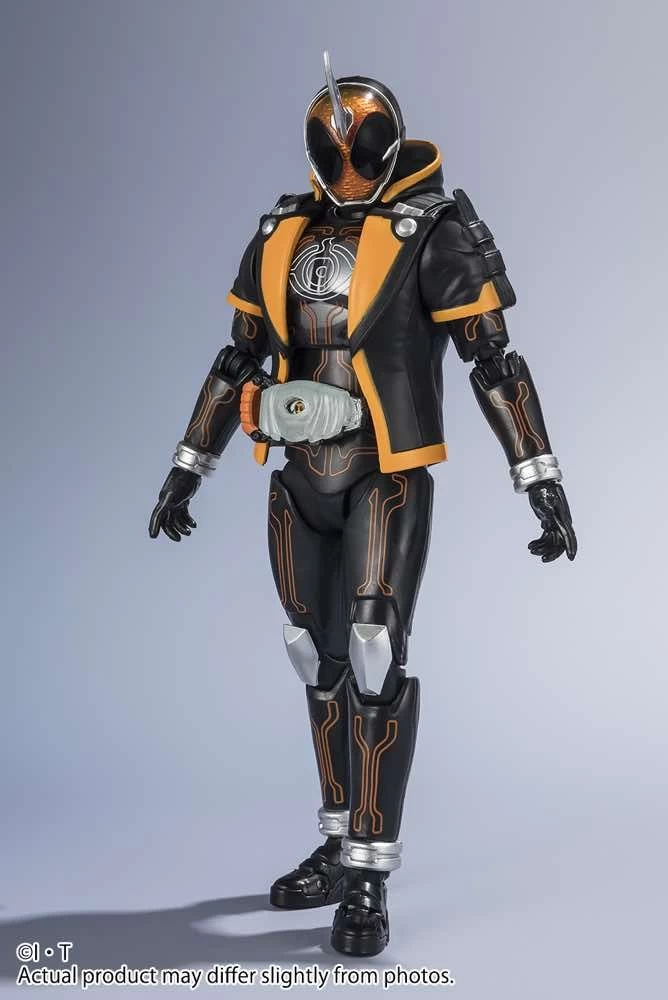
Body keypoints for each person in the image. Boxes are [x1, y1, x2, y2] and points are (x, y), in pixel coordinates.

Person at [149, 52, 577, 957]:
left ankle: (371, 872)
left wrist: (538, 475)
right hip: (300, 472)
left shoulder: (435, 227)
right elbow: (238, 356)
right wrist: (190, 464)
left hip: (386, 470)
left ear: (391, 142)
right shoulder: (281, 229)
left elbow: (492, 358)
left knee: (377, 647)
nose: (348, 166)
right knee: (316, 654)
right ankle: (339, 841)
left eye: (364, 144)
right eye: (331, 148)